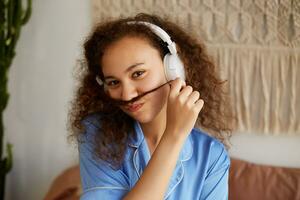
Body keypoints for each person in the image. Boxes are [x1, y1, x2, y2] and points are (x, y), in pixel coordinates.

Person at [68, 13, 234, 200]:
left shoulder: (211, 155)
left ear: (173, 69)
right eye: (114, 82)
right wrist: (173, 136)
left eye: (138, 73)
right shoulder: (97, 134)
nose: (127, 94)